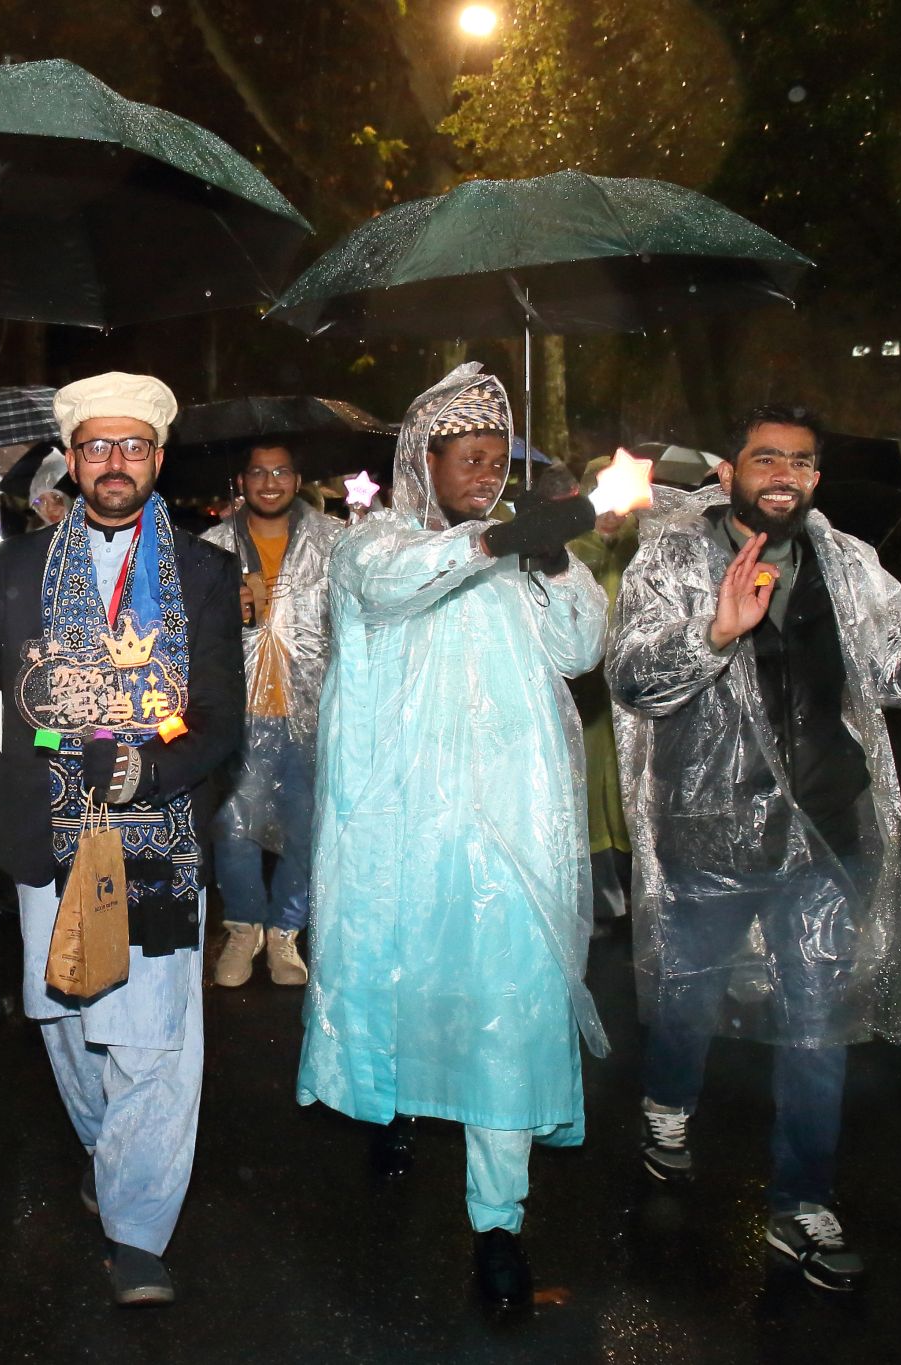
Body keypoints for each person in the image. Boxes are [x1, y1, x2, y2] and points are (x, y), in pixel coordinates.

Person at [607, 403, 901, 1292]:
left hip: (826, 829)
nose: (785, 474)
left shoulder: (847, 560)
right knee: (689, 991)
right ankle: (668, 1102)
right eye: (766, 458)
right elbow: (630, 677)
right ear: (729, 470)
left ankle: (801, 1201)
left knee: (818, 1026)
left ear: (816, 476)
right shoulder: (673, 556)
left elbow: (896, 675)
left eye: (802, 461)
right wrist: (714, 631)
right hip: (711, 827)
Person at [296, 363, 613, 1311]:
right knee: (410, 980)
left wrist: (551, 561)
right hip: (403, 825)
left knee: (507, 1005)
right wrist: (500, 538)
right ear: (421, 461)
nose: (485, 472)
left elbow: (581, 649)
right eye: (466, 456)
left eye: (495, 457)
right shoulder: (374, 542)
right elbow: (396, 587)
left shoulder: (523, 548)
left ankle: (498, 1221)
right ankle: (394, 1102)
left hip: (511, 822)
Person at [0, 371, 242, 1306]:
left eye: (133, 447)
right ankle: (113, 1153)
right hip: (47, 838)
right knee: (69, 1023)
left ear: (157, 459)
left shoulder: (203, 570)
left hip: (159, 839)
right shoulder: (19, 565)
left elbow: (221, 719)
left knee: (152, 1043)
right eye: (98, 446)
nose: (114, 463)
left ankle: (137, 1230)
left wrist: (152, 767)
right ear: (72, 458)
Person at [201, 442, 340, 987]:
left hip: (312, 712)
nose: (270, 482)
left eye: (281, 471)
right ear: (242, 481)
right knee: (233, 829)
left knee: (306, 828)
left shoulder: (333, 543)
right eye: (258, 472)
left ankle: (285, 931)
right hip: (240, 715)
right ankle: (244, 927)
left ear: (297, 478)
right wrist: (223, 610)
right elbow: (187, 632)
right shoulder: (213, 547)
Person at [568, 456, 640, 931]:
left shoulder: (646, 551)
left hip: (635, 695)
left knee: (631, 788)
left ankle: (636, 898)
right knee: (587, 790)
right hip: (585, 694)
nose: (613, 510)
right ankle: (597, 900)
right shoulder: (568, 550)